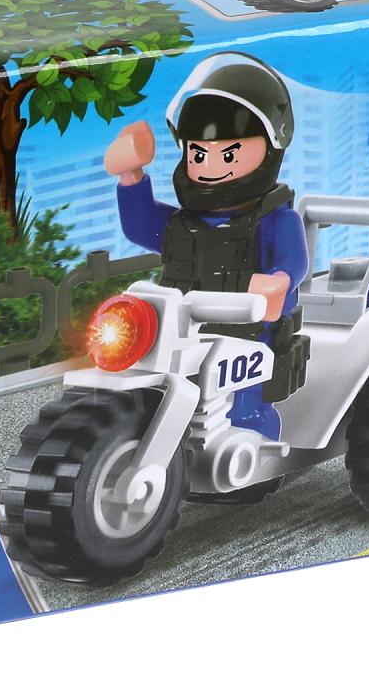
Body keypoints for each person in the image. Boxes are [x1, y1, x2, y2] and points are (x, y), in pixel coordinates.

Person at [104, 52, 309, 440]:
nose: (211, 165)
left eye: (228, 154)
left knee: (243, 396)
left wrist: (278, 282)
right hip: (180, 328)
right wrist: (131, 175)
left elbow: (293, 261)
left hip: (248, 332)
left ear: (272, 145)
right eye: (199, 153)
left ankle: (253, 433)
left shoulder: (276, 220)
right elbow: (140, 226)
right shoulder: (184, 225)